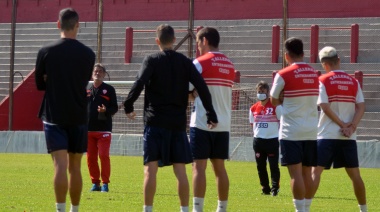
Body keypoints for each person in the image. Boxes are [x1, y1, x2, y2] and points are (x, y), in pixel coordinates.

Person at [123, 24, 218, 212]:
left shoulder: (151, 60)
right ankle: (184, 209)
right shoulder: (185, 61)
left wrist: (128, 105)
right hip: (177, 124)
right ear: (174, 40)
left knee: (150, 170)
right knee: (180, 171)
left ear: (157, 41)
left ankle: (147, 209)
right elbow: (202, 86)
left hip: (154, 122)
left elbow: (140, 82)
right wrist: (210, 113)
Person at [34, 8, 95, 212]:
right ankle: (74, 209)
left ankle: (60, 209)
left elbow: (39, 84)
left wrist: (50, 80)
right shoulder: (88, 54)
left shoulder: (46, 51)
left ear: (58, 24)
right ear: (77, 25)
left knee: (60, 165)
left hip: (54, 115)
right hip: (78, 115)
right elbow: (83, 80)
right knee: (75, 167)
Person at [310, 46, 367, 212]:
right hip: (348, 136)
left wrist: (342, 125)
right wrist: (351, 127)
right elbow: (361, 107)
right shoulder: (353, 81)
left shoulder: (322, 80)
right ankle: (364, 209)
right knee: (355, 175)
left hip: (327, 134)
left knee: (316, 172)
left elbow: (325, 107)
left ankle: (304, 208)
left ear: (323, 64)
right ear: (339, 60)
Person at [270, 37, 319, 212]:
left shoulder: (283, 74)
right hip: (312, 130)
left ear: (286, 55)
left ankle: (300, 210)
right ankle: (306, 208)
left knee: (295, 174)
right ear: (303, 53)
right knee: (307, 173)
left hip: (291, 131)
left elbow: (273, 100)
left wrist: (283, 99)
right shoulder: (315, 74)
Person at [189, 27, 235, 212]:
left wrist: (192, 94)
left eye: (199, 42)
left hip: (202, 121)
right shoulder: (229, 64)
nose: (198, 46)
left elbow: (187, 91)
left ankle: (197, 209)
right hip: (223, 123)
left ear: (205, 40)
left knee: (198, 167)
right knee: (220, 168)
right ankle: (222, 208)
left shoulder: (199, 63)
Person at [86, 63, 118, 192]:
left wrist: (106, 110)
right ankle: (95, 183)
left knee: (103, 155)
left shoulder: (109, 89)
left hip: (103, 129)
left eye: (100, 71)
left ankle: (105, 183)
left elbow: (114, 108)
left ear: (104, 74)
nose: (97, 73)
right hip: (88, 129)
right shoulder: (86, 89)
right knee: (90, 158)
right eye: (95, 71)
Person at [249, 81, 281, 196]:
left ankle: (275, 188)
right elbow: (252, 124)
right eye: (259, 91)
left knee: (273, 166)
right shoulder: (253, 108)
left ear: (268, 92)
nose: (260, 93)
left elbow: (281, 121)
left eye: (263, 91)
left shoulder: (275, 107)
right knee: (260, 166)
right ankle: (265, 188)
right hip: (258, 141)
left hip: (272, 140)